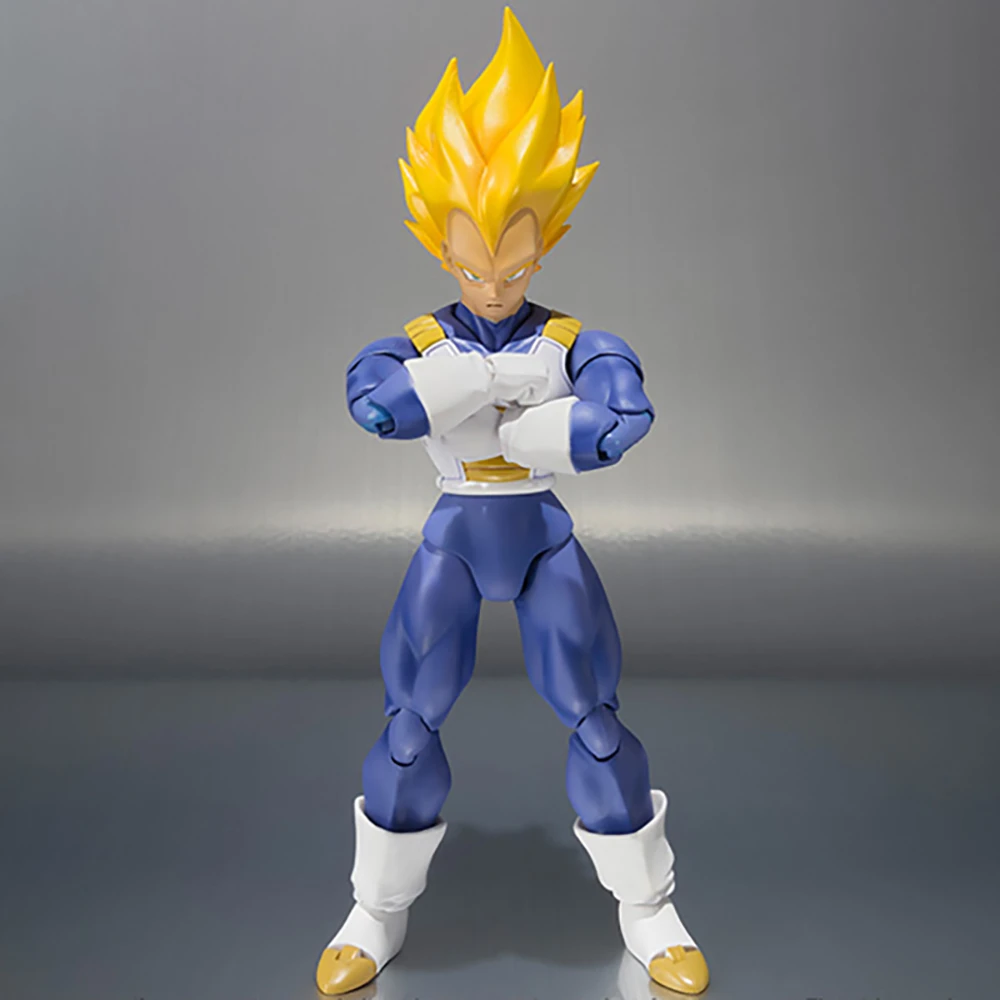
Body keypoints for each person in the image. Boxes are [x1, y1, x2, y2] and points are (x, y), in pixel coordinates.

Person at [316, 9, 709, 996]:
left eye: (515, 268)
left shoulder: (573, 340)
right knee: (409, 724)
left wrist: (543, 432)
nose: (493, 288)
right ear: (437, 241)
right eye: (472, 268)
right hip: (455, 533)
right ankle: (375, 909)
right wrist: (465, 383)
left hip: (539, 533)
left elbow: (622, 416)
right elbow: (374, 404)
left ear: (548, 240)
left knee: (596, 720)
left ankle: (650, 908)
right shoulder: (417, 339)